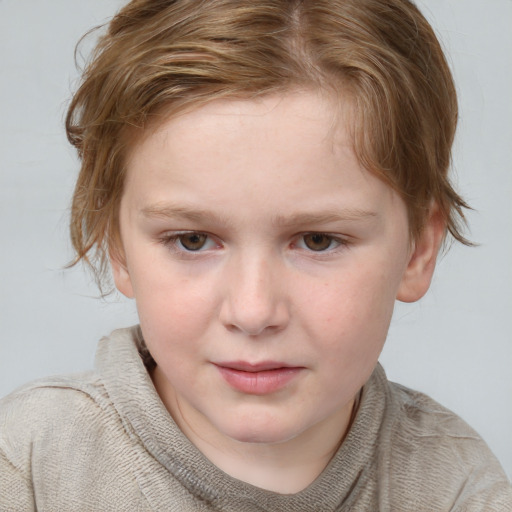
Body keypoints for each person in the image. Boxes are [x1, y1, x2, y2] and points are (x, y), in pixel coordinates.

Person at [1, 0, 511, 510]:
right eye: (192, 240)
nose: (253, 311)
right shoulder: (29, 462)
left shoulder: (456, 487)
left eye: (318, 241)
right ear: (118, 245)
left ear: (418, 250)